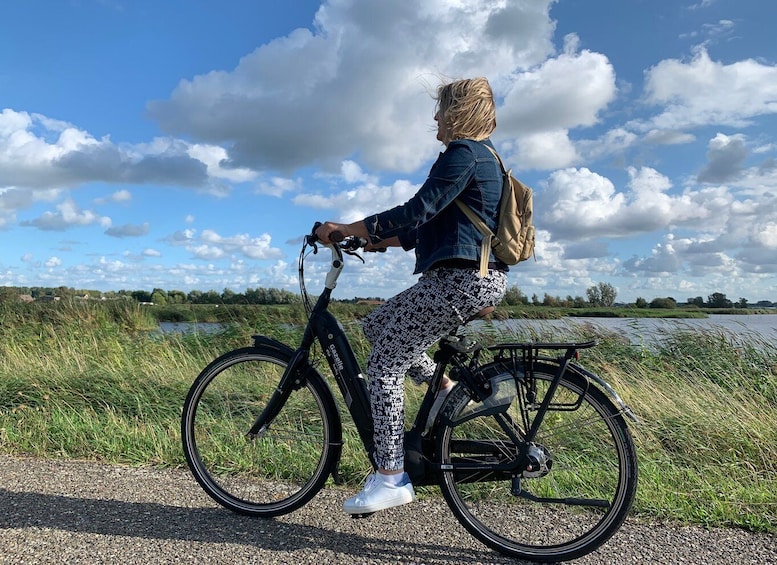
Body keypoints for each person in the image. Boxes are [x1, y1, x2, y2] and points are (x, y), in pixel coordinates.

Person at [315, 77, 508, 514]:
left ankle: (390, 476)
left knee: (384, 365)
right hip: (466, 277)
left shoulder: (465, 155)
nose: (435, 118)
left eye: (441, 109)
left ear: (459, 112)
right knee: (378, 324)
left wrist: (348, 227)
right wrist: (370, 241)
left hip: (462, 280)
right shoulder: (483, 158)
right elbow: (422, 227)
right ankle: (443, 389)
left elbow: (416, 208)